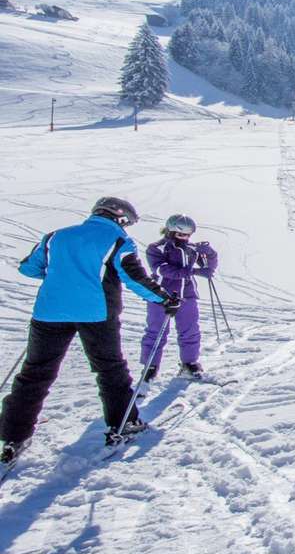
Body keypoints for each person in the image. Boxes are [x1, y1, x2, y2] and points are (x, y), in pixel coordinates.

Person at [0, 197, 179, 462]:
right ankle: (123, 424)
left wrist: (64, 275)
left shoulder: (55, 237)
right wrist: (164, 298)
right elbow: (133, 277)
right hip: (96, 314)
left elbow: (29, 268)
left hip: (50, 312)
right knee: (110, 369)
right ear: (120, 219)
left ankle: (14, 434)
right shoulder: (119, 240)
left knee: (35, 372)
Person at [139, 214, 219, 384]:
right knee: (156, 331)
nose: (185, 238)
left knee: (190, 330)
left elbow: (210, 268)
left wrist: (210, 254)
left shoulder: (191, 249)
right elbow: (163, 270)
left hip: (187, 294)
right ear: (170, 231)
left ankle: (189, 363)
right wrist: (194, 272)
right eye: (181, 234)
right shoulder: (157, 248)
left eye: (188, 235)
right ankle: (150, 366)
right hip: (161, 295)